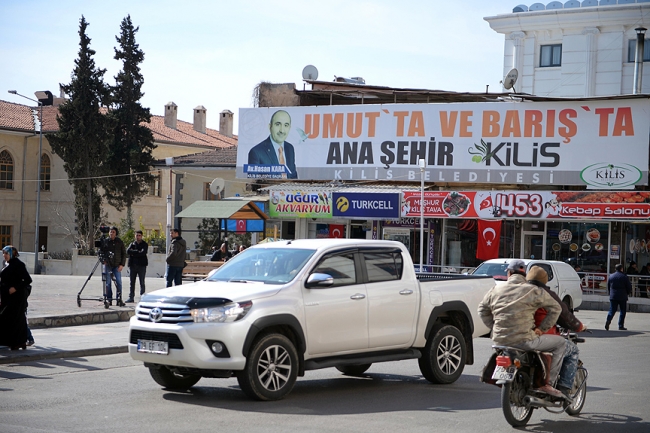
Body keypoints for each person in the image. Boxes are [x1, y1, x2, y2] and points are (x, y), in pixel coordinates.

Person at [478, 259, 568, 399]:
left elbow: (482, 310)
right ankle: (548, 384)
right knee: (561, 343)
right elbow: (556, 308)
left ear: (509, 273)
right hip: (524, 340)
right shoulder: (533, 290)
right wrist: (542, 329)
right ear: (524, 275)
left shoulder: (496, 289)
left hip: (499, 341)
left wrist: (494, 327)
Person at [527, 266, 586, 399]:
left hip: (517, 335)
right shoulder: (547, 294)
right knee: (572, 350)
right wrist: (579, 326)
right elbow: (564, 316)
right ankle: (562, 387)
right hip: (542, 337)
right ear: (545, 280)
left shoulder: (520, 292)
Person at [247, 110, 298, 179]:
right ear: (270, 126)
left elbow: (293, 177)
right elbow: (254, 184)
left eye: (286, 125)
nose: (282, 130)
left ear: (289, 128)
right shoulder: (256, 152)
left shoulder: (290, 148)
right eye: (278, 124)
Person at [0, 246, 32, 350]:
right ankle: (13, 342)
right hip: (7, 297)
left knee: (16, 319)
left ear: (12, 254)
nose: (4, 255)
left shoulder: (19, 265)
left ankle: (18, 342)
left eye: (6, 253)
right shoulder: (6, 264)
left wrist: (15, 288)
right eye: (3, 253)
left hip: (17, 298)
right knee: (8, 319)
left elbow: (27, 279)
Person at [104, 226, 126, 305]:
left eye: (113, 232)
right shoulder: (105, 241)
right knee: (108, 283)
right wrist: (104, 261)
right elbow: (101, 252)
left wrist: (122, 265)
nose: (111, 233)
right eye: (110, 231)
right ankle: (109, 299)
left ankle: (119, 299)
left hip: (117, 265)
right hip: (108, 265)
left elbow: (124, 253)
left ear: (116, 233)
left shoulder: (119, 241)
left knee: (118, 282)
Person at [606, 263, 632, 330]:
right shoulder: (624, 276)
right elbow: (629, 287)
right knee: (622, 311)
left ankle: (608, 320)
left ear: (615, 269)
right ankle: (621, 325)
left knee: (612, 310)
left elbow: (608, 286)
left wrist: (611, 293)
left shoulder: (611, 276)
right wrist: (628, 293)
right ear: (621, 269)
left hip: (613, 296)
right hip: (622, 296)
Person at [126, 230, 148, 303]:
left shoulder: (144, 244)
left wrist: (134, 253)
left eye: (139, 235)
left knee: (142, 282)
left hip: (141, 265)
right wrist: (136, 252)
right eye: (136, 235)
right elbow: (128, 251)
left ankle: (142, 297)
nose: (138, 237)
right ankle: (131, 297)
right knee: (132, 282)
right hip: (133, 265)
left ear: (141, 236)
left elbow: (143, 253)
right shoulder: (132, 244)